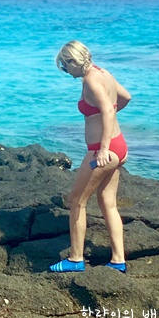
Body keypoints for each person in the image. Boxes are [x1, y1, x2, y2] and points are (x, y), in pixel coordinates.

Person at [50, 40, 132, 273]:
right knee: (108, 203)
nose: (67, 72)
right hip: (119, 145)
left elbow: (107, 110)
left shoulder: (90, 80)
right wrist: (107, 127)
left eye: (65, 67)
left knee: (76, 201)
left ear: (73, 61)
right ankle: (118, 261)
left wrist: (103, 148)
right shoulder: (103, 73)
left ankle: (75, 259)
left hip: (102, 151)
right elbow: (125, 98)